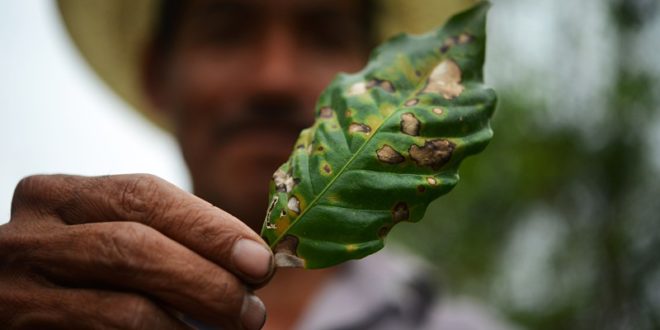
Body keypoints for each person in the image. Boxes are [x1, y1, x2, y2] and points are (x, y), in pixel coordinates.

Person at [0, 0, 513, 329]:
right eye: (227, 30)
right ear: (157, 74)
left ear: (389, 85)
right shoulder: (58, 305)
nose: (274, 78)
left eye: (321, 33)